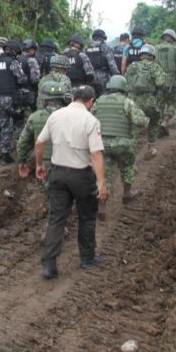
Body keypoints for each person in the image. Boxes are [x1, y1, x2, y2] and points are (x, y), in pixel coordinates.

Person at [35, 85, 107, 279]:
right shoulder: (90, 120)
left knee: (57, 218)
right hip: (81, 176)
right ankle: (87, 258)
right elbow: (95, 154)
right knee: (86, 216)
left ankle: (48, 265)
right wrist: (101, 183)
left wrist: (39, 165)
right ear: (90, 102)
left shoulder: (56, 116)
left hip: (58, 173)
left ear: (73, 98)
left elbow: (39, 142)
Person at [92, 75, 148, 221]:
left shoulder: (98, 102)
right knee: (127, 166)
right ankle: (127, 193)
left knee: (104, 174)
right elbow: (140, 121)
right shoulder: (127, 102)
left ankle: (102, 206)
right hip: (122, 143)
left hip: (102, 143)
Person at [16, 81, 68, 185]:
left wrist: (22, 161)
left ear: (43, 100)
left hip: (47, 165)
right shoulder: (74, 115)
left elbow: (23, 143)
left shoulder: (35, 117)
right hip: (72, 163)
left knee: (53, 195)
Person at [125, 44, 166, 158]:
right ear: (152, 56)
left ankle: (130, 156)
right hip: (149, 101)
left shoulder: (131, 66)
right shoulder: (154, 67)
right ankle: (151, 147)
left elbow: (126, 81)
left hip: (132, 102)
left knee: (134, 127)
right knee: (155, 120)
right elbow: (160, 83)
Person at [0, 39, 28, 164]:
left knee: (3, 126)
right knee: (19, 122)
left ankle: (4, 153)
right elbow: (22, 79)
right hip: (10, 98)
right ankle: (21, 151)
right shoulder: (12, 62)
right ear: (13, 50)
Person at [155, 29, 176, 132]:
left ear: (163, 37)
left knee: (159, 104)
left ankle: (158, 123)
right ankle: (165, 121)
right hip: (172, 81)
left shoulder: (155, 48)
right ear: (173, 38)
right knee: (171, 103)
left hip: (158, 81)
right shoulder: (175, 49)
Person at [85, 28, 119, 97]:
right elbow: (112, 64)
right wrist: (117, 75)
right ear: (102, 38)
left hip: (90, 78)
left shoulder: (86, 47)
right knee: (104, 98)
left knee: (91, 98)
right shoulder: (105, 47)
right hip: (104, 78)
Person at [19, 39, 41, 111]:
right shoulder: (32, 60)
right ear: (31, 49)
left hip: (18, 93)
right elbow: (35, 79)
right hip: (30, 92)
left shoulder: (17, 58)